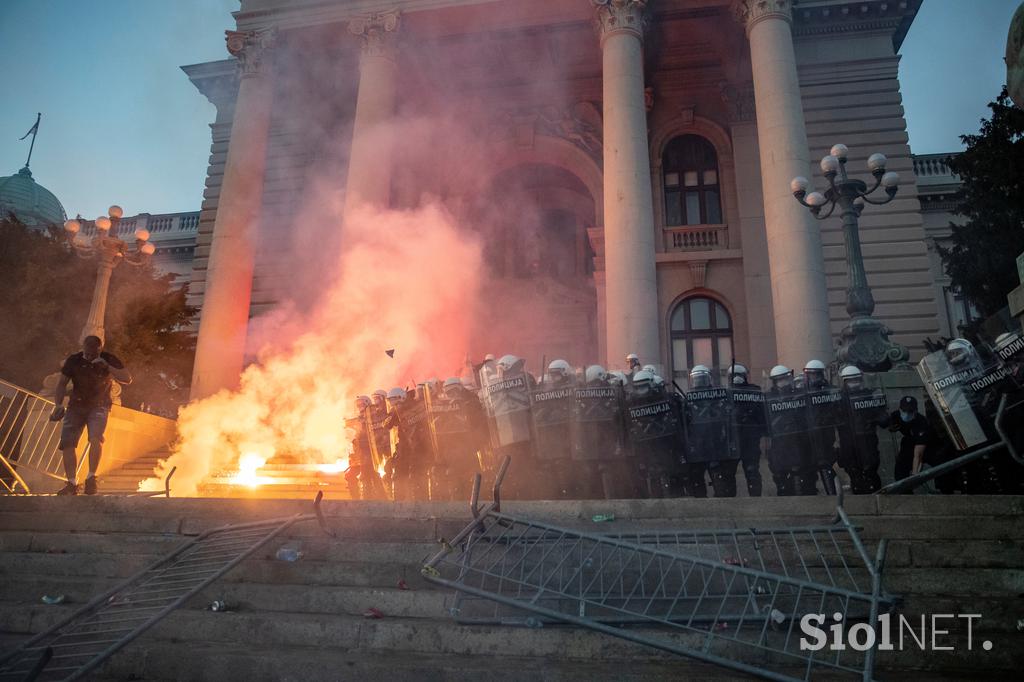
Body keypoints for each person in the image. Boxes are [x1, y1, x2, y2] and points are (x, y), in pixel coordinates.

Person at [49, 335, 132, 495]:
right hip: (76, 405)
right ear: (83, 348)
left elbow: (127, 379)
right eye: (87, 352)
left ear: (100, 349)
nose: (90, 356)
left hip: (99, 406)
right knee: (68, 443)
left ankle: (91, 478)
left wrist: (107, 366)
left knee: (96, 438)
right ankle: (71, 483)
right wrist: (58, 404)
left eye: (93, 353)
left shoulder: (108, 358)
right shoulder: (74, 360)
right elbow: (61, 384)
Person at [888, 396, 933, 485]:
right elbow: (889, 424)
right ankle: (904, 491)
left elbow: (918, 454)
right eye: (904, 410)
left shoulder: (921, 422)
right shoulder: (896, 416)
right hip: (909, 441)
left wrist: (914, 474)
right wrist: (891, 427)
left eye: (910, 411)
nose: (907, 413)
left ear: (915, 411)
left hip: (926, 444)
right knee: (900, 469)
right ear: (900, 409)